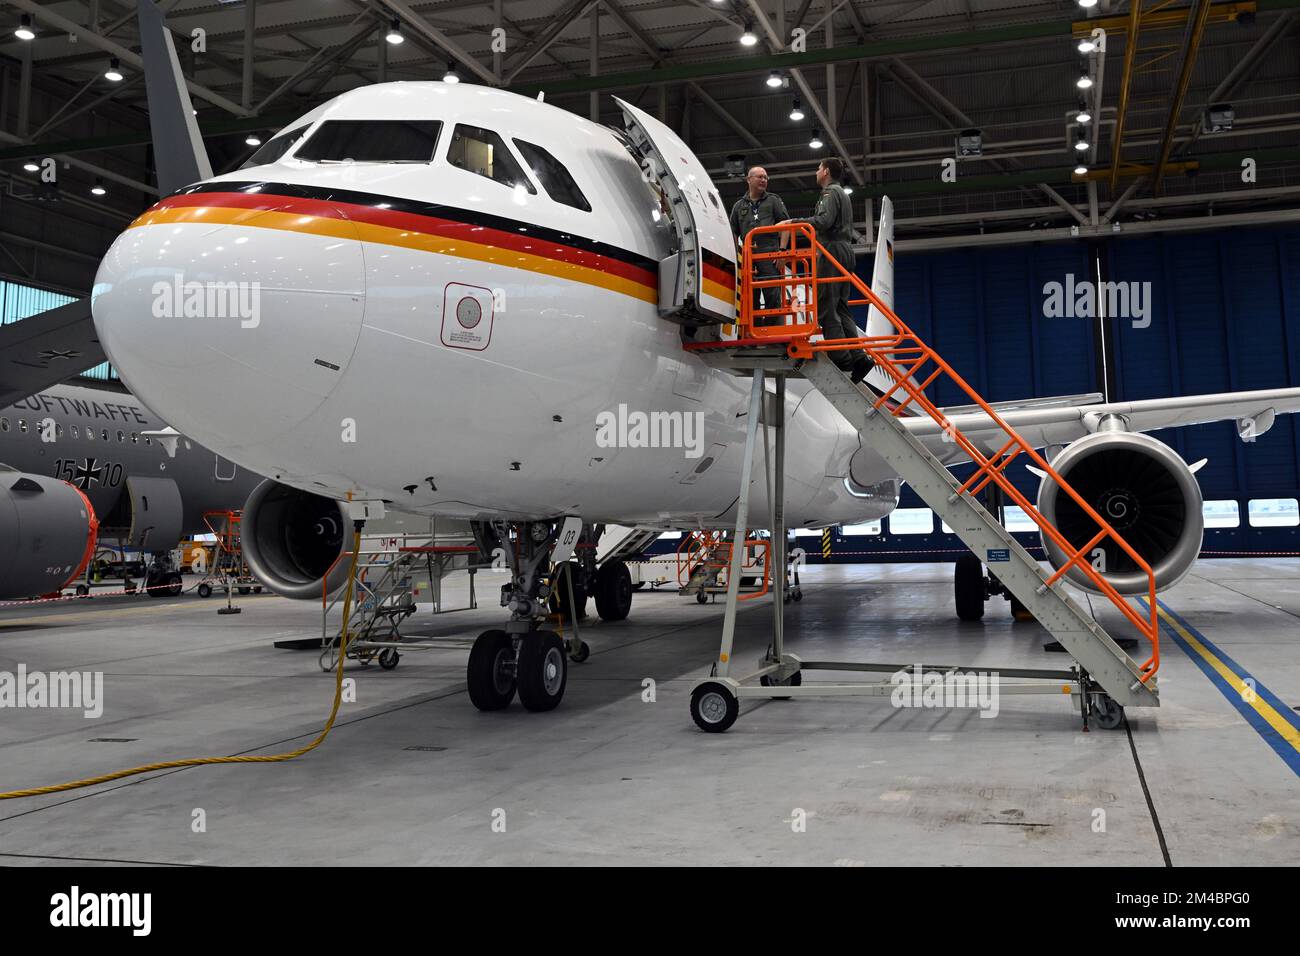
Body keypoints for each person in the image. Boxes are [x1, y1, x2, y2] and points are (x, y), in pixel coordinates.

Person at [780, 157, 873, 383]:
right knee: (841, 308)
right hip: (843, 250)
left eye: (818, 168)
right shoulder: (841, 193)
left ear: (827, 172)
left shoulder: (830, 193)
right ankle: (859, 356)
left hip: (831, 250)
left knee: (825, 305)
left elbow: (824, 221)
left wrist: (794, 222)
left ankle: (841, 357)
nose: (816, 172)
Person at [728, 166, 789, 325]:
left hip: (770, 255)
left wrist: (782, 252)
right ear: (749, 179)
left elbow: (787, 226)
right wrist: (736, 257)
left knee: (772, 293)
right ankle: (753, 329)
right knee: (750, 295)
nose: (764, 180)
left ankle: (772, 329)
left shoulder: (773, 200)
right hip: (748, 258)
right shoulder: (738, 206)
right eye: (760, 177)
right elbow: (733, 232)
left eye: (766, 178)